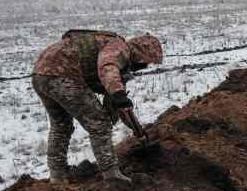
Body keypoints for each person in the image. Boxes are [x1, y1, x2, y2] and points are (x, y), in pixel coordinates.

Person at [32, 30, 163, 183]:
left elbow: (117, 105)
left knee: (61, 125)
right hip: (63, 74)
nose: (143, 67)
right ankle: (111, 173)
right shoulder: (119, 47)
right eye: (145, 63)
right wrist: (119, 94)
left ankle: (57, 175)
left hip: (40, 75)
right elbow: (107, 66)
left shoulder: (115, 63)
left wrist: (137, 130)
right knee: (99, 123)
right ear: (140, 53)